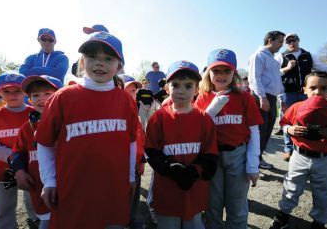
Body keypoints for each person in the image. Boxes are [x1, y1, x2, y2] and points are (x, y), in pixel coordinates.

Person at [35, 31, 139, 229]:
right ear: (82, 62)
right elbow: (44, 141)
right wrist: (49, 181)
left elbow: (132, 141)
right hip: (73, 191)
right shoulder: (63, 97)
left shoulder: (125, 99)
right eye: (92, 57)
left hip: (113, 191)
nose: (99, 63)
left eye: (108, 58)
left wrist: (131, 177)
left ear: (119, 65)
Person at [269, 71, 327, 229]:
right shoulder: (297, 107)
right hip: (299, 155)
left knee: (324, 192)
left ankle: (319, 221)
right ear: (304, 89)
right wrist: (289, 129)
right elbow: (283, 123)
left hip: (325, 159)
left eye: (323, 88)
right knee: (291, 186)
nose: (317, 91)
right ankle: (283, 215)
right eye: (313, 87)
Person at [145, 60, 218, 229]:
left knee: (194, 223)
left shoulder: (204, 119)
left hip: (195, 190)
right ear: (166, 88)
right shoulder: (159, 118)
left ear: (197, 89)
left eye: (188, 86)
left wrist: (195, 171)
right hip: (167, 191)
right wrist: (169, 168)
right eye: (175, 85)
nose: (181, 91)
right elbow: (151, 151)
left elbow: (210, 154)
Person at [195, 49, 263, 228]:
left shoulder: (244, 97)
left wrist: (252, 163)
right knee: (212, 205)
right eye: (216, 70)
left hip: (237, 156)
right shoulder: (202, 98)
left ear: (234, 73)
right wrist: (212, 108)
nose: (221, 75)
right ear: (208, 73)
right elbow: (196, 130)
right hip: (212, 157)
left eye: (226, 70)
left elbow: (254, 131)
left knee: (237, 205)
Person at [276, 33, 327, 160]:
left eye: (293, 40)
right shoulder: (281, 56)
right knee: (289, 120)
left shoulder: (308, 55)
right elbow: (274, 73)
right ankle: (289, 148)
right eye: (288, 41)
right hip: (289, 92)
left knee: (310, 118)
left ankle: (307, 144)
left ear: (298, 40)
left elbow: (323, 67)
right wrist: (286, 69)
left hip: (308, 93)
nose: (291, 43)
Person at [0, 72, 35, 229]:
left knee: (35, 201)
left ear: (25, 92)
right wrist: (11, 156)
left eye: (17, 90)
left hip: (32, 167)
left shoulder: (34, 113)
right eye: (6, 91)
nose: (12, 95)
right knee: (2, 209)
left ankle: (36, 220)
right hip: (3, 169)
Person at [9, 75, 62, 229]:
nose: (42, 98)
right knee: (46, 223)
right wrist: (18, 171)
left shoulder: (69, 122)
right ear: (30, 101)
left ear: (61, 96)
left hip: (68, 186)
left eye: (48, 93)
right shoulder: (27, 127)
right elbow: (18, 152)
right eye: (35, 95)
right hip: (39, 188)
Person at [248, 30, 285, 169]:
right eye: (280, 41)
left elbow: (276, 80)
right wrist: (262, 97)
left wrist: (280, 98)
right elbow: (254, 78)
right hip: (261, 97)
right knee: (260, 130)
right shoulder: (258, 55)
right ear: (270, 40)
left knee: (267, 129)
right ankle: (254, 159)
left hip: (272, 98)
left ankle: (258, 157)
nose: (282, 45)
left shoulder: (274, 60)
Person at [119, 74, 146, 229]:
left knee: (134, 197)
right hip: (121, 167)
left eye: (133, 90)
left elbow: (140, 139)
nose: (131, 94)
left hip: (135, 164)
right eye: (126, 90)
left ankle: (131, 220)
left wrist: (142, 160)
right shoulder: (116, 112)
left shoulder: (135, 112)